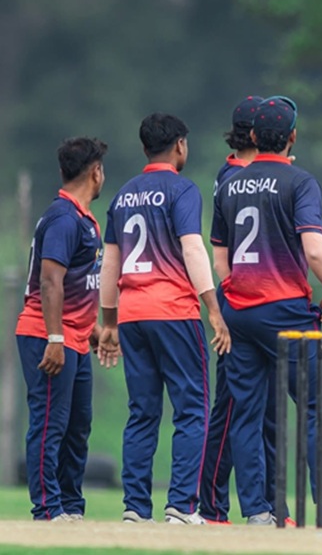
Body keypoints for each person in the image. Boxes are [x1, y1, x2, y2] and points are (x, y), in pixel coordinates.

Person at [212, 96, 322, 526]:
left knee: (246, 413)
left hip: (239, 312)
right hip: (286, 311)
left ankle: (257, 512)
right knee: (314, 406)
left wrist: (234, 294)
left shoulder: (229, 183)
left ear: (253, 136)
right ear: (292, 136)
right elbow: (315, 248)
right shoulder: (300, 181)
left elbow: (219, 256)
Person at [98, 113, 230, 525]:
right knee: (192, 409)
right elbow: (192, 249)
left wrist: (109, 322)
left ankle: (135, 508)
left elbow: (110, 263)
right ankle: (181, 506)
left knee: (142, 412)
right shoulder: (182, 190)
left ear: (144, 149)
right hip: (173, 312)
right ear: (180, 146)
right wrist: (213, 309)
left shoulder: (123, 195)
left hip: (132, 315)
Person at [16, 137, 107, 521]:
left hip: (76, 337)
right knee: (50, 423)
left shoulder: (82, 218)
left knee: (77, 427)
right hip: (48, 335)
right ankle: (47, 509)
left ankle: (71, 507)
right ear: (95, 172)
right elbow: (50, 281)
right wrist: (55, 338)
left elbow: (77, 284)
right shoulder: (63, 218)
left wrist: (93, 328)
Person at [200, 95, 268, 524]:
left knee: (255, 407)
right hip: (239, 303)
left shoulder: (238, 173)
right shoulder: (238, 177)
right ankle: (211, 504)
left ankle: (263, 504)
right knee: (230, 406)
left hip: (254, 302)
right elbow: (219, 251)